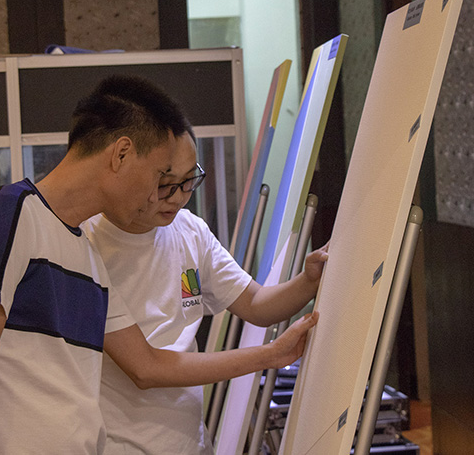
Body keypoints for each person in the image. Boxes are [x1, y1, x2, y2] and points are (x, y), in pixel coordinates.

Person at [0, 75, 319, 454]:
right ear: (121, 154)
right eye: (159, 177)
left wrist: (273, 351)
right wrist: (270, 354)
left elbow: (144, 361)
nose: (157, 197)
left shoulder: (84, 253)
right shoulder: (11, 212)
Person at [82, 128, 328, 454]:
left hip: (192, 442)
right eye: (166, 184)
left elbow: (256, 303)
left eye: (190, 180)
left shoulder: (190, 229)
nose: (179, 197)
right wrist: (270, 355)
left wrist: (308, 280)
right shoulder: (86, 244)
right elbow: (146, 369)